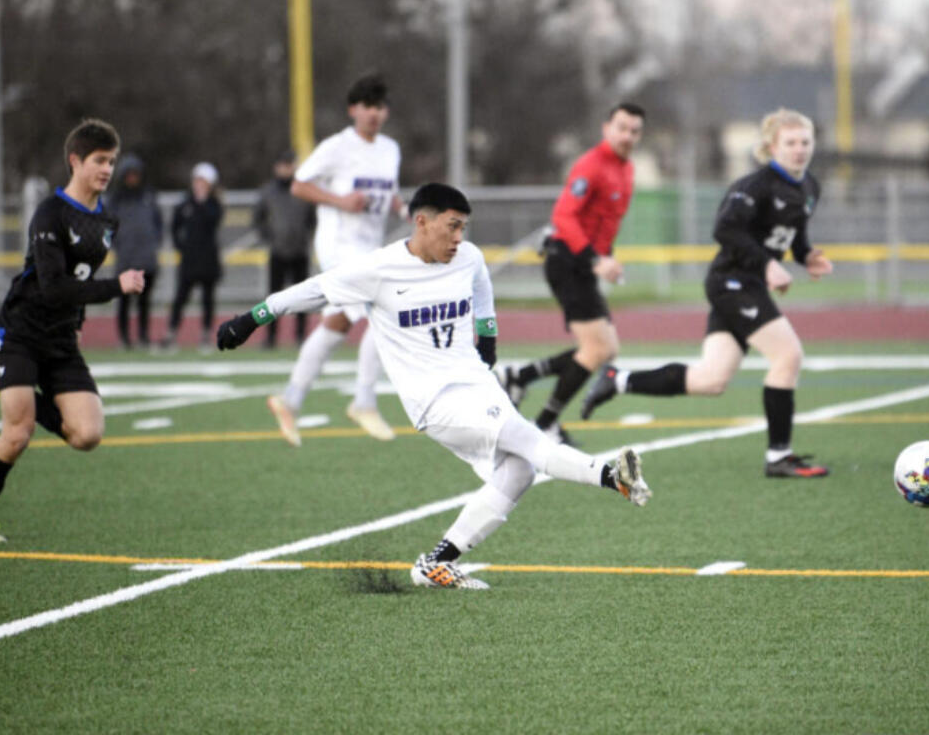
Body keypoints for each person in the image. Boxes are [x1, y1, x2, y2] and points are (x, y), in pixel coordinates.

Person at [216, 183, 650, 589]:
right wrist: (251, 319)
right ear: (421, 222)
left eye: (464, 227)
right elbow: (314, 291)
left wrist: (489, 339)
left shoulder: (469, 256)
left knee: (519, 471)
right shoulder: (379, 268)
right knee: (528, 439)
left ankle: (436, 563)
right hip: (434, 400)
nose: (459, 237)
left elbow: (482, 293)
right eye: (452, 226)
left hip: (476, 385)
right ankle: (613, 477)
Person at [580, 108, 834, 478]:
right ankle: (779, 456)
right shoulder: (754, 186)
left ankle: (617, 380)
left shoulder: (810, 185)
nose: (799, 149)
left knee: (711, 380)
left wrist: (806, 256)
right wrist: (766, 264)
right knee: (788, 356)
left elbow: (792, 234)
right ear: (771, 146)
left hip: (747, 285)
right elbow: (725, 230)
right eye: (790, 142)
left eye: (805, 142)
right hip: (732, 282)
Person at [0, 118, 145, 542]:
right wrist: (118, 285)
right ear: (75, 161)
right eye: (99, 160)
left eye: (111, 161)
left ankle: (4, 384)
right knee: (17, 433)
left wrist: (76, 324)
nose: (107, 169)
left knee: (88, 435)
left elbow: (77, 282)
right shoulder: (50, 213)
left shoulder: (107, 222)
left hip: (60, 339)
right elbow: (56, 286)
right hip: (21, 332)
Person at [494, 102, 646, 444]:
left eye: (635, 130)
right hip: (566, 260)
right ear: (606, 128)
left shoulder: (627, 169)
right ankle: (544, 422)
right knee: (597, 349)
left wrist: (607, 258)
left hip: (583, 264)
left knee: (603, 348)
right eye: (622, 127)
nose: (628, 135)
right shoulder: (591, 165)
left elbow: (606, 222)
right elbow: (564, 217)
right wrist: (596, 259)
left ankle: (520, 377)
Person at [268, 73, 406, 446]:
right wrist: (340, 201)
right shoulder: (338, 147)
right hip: (339, 247)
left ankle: (290, 400)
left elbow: (388, 194)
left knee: (337, 322)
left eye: (380, 107)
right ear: (353, 110)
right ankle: (364, 400)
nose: (374, 113)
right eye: (368, 106)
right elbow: (299, 184)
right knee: (388, 309)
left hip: (369, 247)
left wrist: (406, 209)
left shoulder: (390, 150)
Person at [253, 148, 317, 347]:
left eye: (291, 165)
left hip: (299, 251)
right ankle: (271, 337)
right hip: (278, 251)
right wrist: (270, 237)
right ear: (277, 167)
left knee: (303, 297)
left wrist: (306, 236)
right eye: (285, 165)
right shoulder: (268, 192)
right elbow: (258, 219)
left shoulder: (303, 188)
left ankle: (300, 336)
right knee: (274, 297)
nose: (288, 169)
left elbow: (312, 218)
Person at [163, 162, 223, 351]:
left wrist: (203, 202)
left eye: (203, 181)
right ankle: (171, 334)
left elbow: (213, 221)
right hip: (189, 260)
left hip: (208, 260)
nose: (199, 184)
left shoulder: (214, 204)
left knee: (208, 300)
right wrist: (181, 247)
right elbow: (174, 228)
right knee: (180, 298)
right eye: (197, 180)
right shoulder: (184, 203)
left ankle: (206, 335)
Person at [105, 153, 163, 349]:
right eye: (129, 175)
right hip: (126, 259)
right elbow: (107, 227)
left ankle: (143, 336)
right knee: (124, 302)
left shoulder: (148, 196)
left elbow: (158, 223)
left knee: (144, 301)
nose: (132, 179)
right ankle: (124, 338)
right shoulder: (116, 200)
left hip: (146, 258)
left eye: (135, 174)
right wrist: (119, 244)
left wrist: (154, 242)